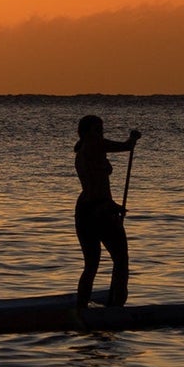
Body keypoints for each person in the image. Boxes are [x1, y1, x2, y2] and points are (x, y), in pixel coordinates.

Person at [74, 114, 140, 310]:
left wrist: (112, 205)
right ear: (85, 133)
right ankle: (116, 307)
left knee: (92, 264)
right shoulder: (93, 147)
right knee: (120, 259)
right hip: (98, 210)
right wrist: (133, 139)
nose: (100, 135)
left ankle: (82, 307)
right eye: (96, 130)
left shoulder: (87, 150)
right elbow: (126, 146)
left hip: (88, 209)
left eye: (102, 130)